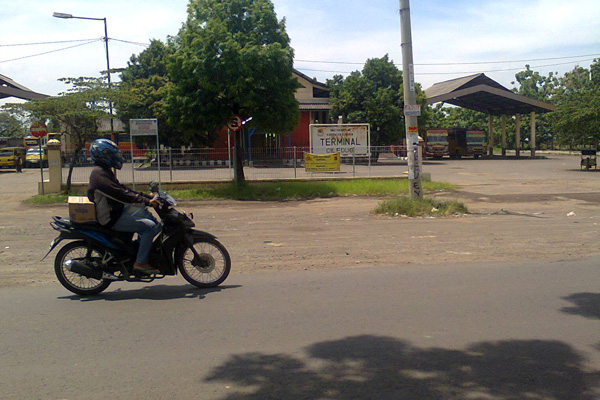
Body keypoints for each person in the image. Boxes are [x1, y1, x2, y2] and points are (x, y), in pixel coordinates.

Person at [87, 138, 161, 275]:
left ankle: (139, 250)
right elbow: (120, 195)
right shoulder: (99, 174)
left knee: (150, 218)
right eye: (111, 155)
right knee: (149, 226)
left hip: (117, 210)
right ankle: (140, 263)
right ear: (102, 156)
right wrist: (146, 201)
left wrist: (147, 197)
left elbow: (124, 189)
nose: (116, 157)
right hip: (111, 217)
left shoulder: (104, 171)